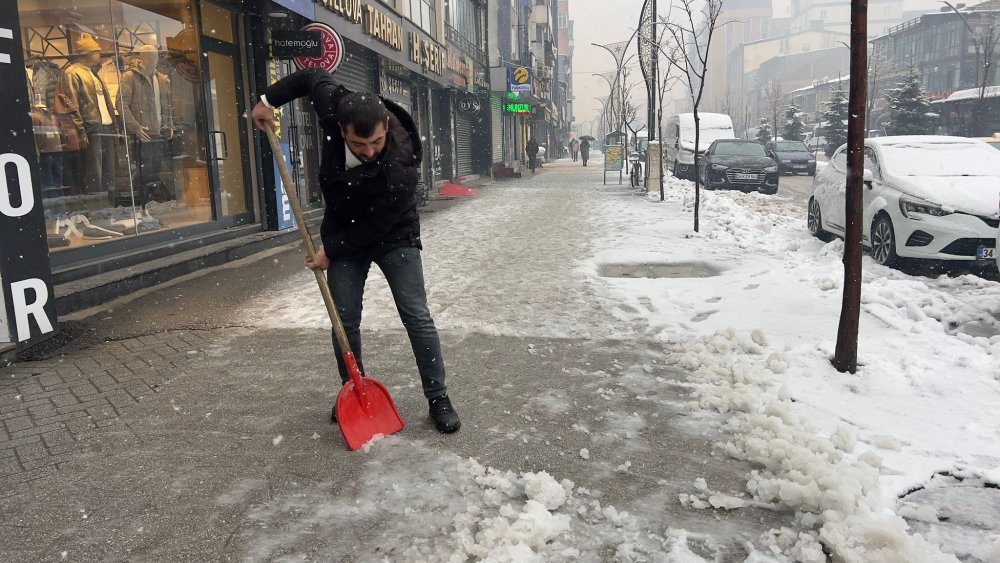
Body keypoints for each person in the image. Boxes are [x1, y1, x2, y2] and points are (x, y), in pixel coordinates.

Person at [250, 68, 460, 434]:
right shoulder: (333, 104)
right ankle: (355, 389)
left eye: (376, 142)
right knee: (343, 319)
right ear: (341, 129)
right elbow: (309, 76)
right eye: (358, 145)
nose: (368, 151)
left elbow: (377, 226)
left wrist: (330, 248)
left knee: (416, 314)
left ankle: (438, 396)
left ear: (385, 127)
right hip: (344, 228)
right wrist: (267, 101)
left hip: (393, 233)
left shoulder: (400, 166)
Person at [57, 34, 117, 198]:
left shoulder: (92, 73)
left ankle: (109, 204)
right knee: (94, 171)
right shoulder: (72, 73)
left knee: (108, 170)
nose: (99, 55)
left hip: (104, 127)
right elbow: (71, 104)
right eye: (96, 51)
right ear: (86, 53)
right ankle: (97, 205)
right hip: (91, 129)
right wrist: (81, 130)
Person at [118, 44, 173, 202]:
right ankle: (141, 202)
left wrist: (169, 125)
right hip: (143, 133)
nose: (154, 59)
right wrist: (134, 126)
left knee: (156, 168)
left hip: (159, 132)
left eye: (155, 56)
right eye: (150, 56)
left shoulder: (161, 79)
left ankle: (151, 201)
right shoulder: (130, 77)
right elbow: (121, 104)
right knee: (144, 169)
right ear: (142, 57)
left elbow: (166, 105)